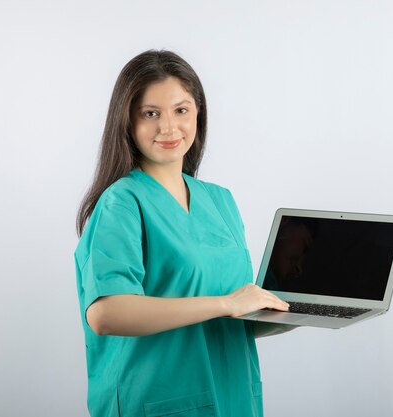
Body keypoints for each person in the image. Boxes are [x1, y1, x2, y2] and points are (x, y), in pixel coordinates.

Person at [75, 50, 290, 417]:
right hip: (159, 397)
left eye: (181, 110)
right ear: (127, 121)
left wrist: (283, 314)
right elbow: (106, 313)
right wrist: (226, 304)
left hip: (232, 394)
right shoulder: (122, 203)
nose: (169, 128)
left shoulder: (220, 201)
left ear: (199, 113)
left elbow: (221, 320)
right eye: (151, 113)